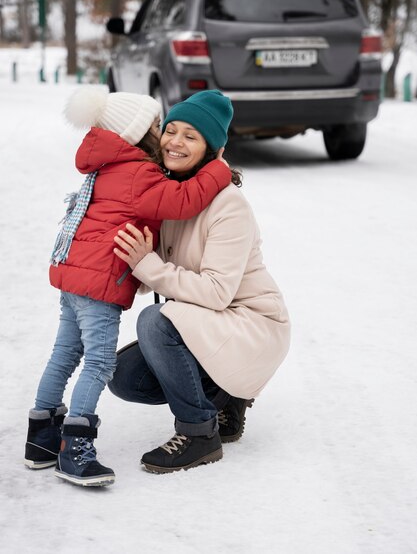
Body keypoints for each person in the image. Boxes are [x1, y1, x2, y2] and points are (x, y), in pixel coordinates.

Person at [24, 87, 231, 487]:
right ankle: (75, 448)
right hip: (99, 285)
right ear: (135, 133)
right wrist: (219, 168)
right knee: (99, 362)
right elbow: (183, 200)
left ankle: (41, 439)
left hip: (75, 278)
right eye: (156, 126)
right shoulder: (140, 172)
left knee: (64, 353)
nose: (163, 132)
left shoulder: (107, 165)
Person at [110, 89, 291, 474]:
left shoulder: (228, 205)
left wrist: (147, 266)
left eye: (190, 136)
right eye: (170, 130)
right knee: (124, 377)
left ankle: (198, 433)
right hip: (209, 324)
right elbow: (153, 268)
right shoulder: (169, 196)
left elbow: (215, 292)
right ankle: (225, 396)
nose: (174, 142)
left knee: (156, 321)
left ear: (212, 150)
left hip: (251, 325)